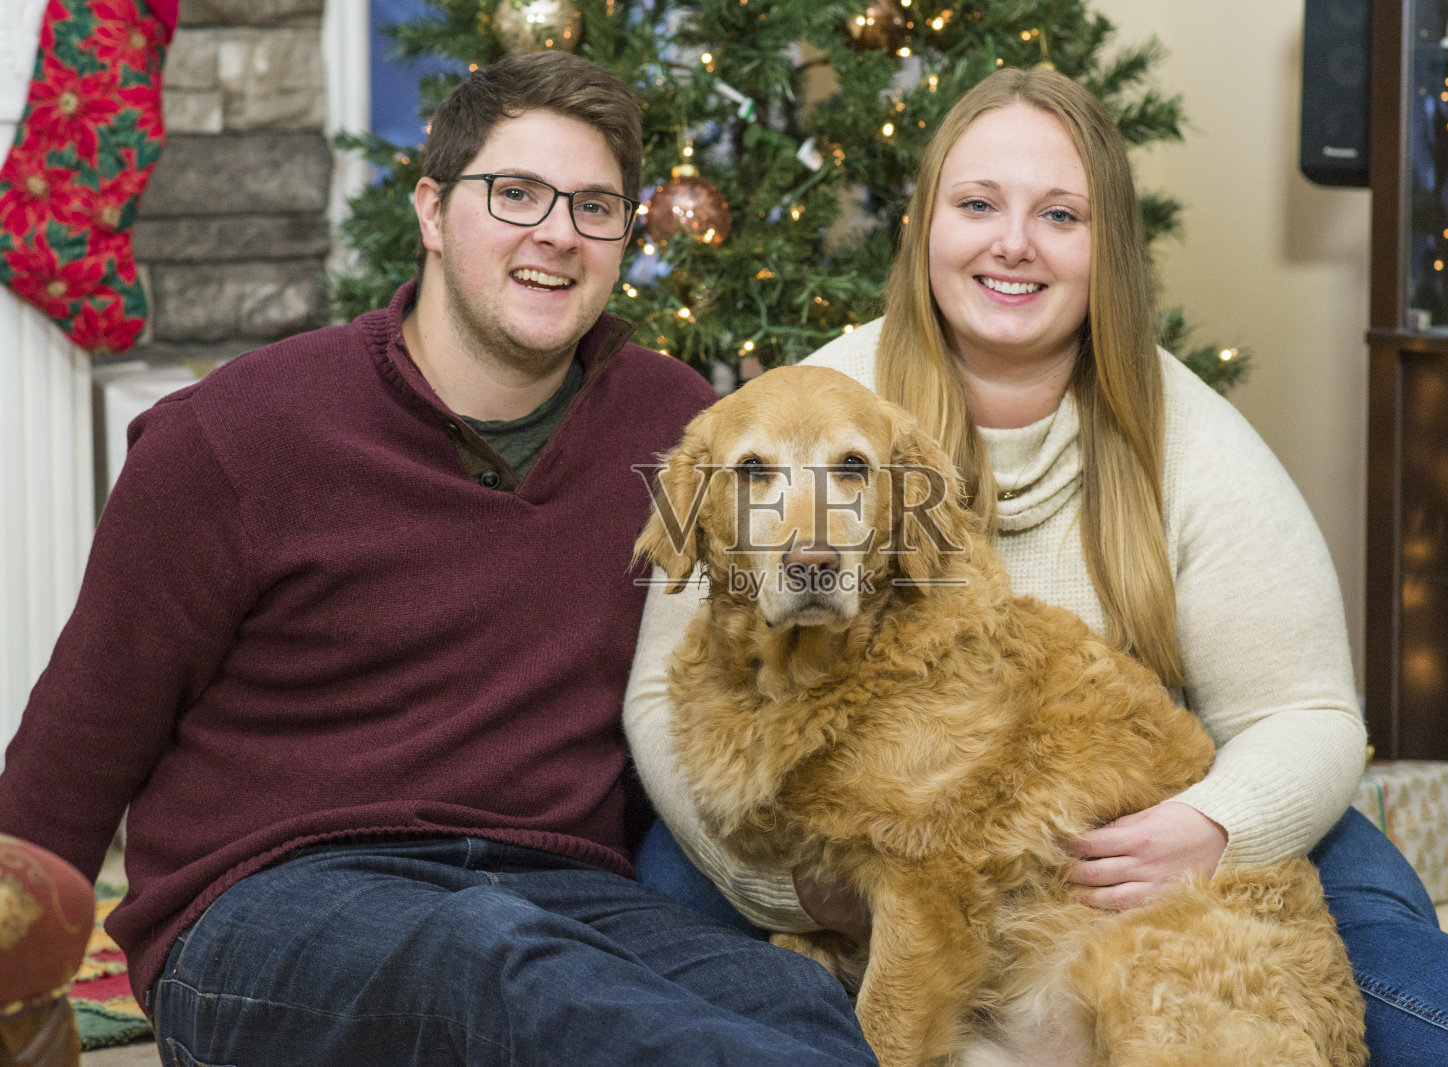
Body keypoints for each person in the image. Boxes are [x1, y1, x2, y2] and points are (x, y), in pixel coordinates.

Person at [624, 66, 1448, 1066]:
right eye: (976, 205)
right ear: (925, 227)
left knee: (1383, 973)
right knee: (676, 890)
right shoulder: (822, 399)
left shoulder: (1193, 439)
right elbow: (669, 690)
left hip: (1163, 818)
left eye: (1059, 213)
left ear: (1108, 250)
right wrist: (787, 883)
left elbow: (1305, 717)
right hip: (882, 821)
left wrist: (1214, 824)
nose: (1013, 243)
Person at [0, 52, 877, 1067]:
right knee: (490, 959)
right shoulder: (234, 435)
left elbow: (743, 667)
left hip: (561, 891)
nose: (557, 231)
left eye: (596, 207)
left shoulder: (675, 427)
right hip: (273, 905)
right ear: (430, 209)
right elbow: (79, 743)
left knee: (783, 995)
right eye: (515, 193)